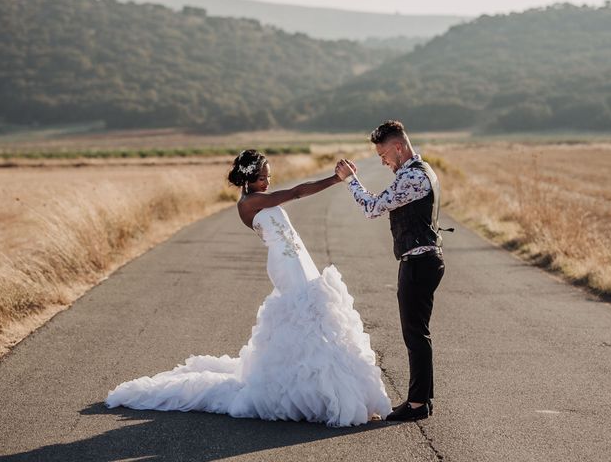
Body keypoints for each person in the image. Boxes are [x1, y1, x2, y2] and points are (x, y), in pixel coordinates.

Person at [105, 149, 391, 427]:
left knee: (317, 312)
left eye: (268, 177)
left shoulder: (259, 197)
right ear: (247, 179)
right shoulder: (249, 204)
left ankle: (320, 382)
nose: (267, 182)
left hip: (299, 258)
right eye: (262, 178)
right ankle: (315, 390)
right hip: (284, 264)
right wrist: (335, 179)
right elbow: (296, 193)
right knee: (305, 314)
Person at [335, 120, 446, 422]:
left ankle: (417, 404)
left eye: (383, 154)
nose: (382, 161)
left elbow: (372, 208)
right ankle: (422, 399)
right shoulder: (419, 171)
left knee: (415, 334)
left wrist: (351, 180)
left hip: (419, 262)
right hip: (424, 259)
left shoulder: (412, 177)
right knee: (417, 333)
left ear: (398, 147)